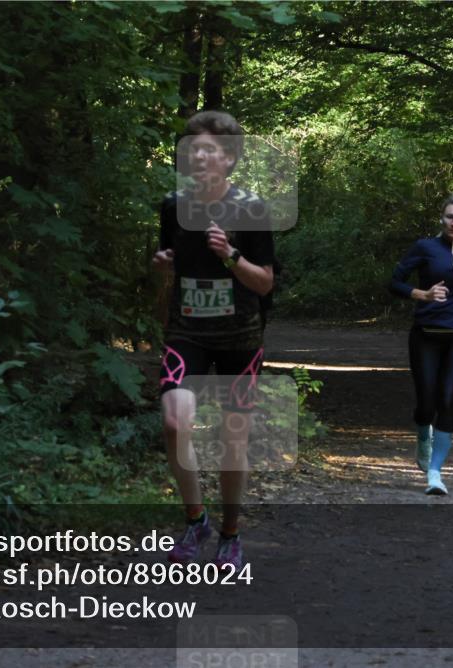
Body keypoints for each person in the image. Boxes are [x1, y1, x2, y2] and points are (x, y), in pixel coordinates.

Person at [152, 110, 275, 569]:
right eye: (193, 149)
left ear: (228, 158)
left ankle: (230, 533)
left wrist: (231, 255)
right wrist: (162, 265)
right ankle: (195, 518)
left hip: (241, 336)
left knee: (233, 438)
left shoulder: (252, 208)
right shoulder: (172, 205)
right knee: (174, 420)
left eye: (209, 149)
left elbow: (264, 283)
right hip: (187, 332)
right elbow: (167, 268)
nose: (199, 156)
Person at [388, 192, 453, 495]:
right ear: (442, 218)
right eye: (449, 217)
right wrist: (422, 294)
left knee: (447, 400)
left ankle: (435, 473)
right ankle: (421, 436)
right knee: (426, 403)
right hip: (426, 333)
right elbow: (395, 282)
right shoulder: (425, 247)